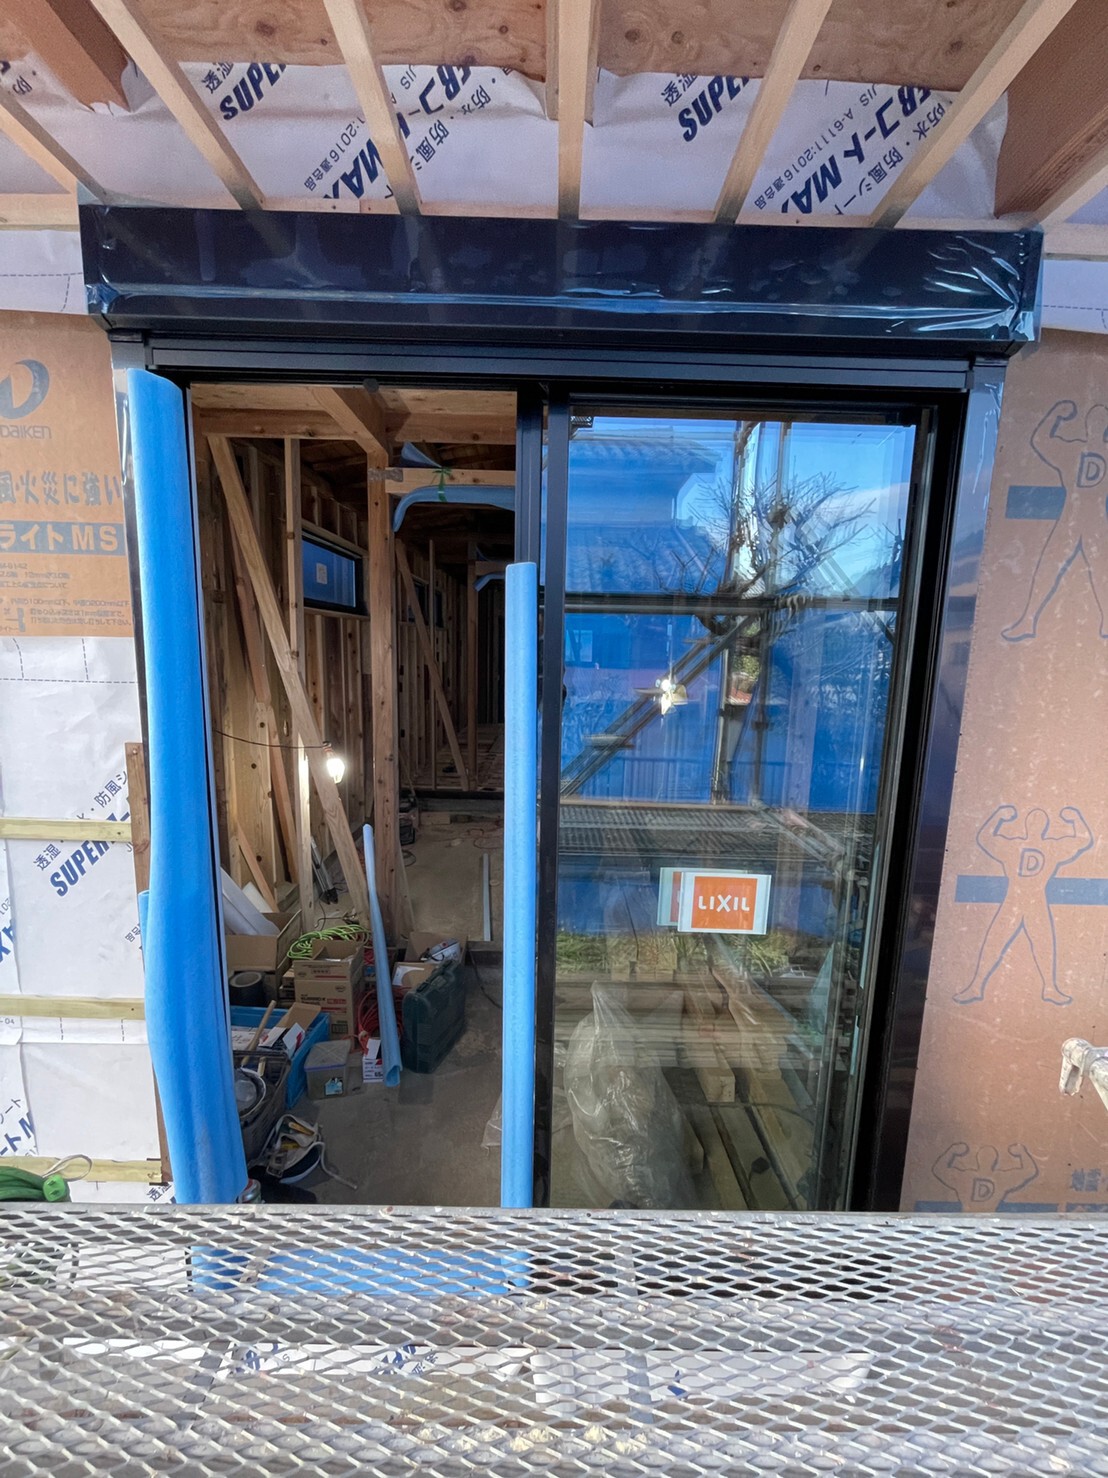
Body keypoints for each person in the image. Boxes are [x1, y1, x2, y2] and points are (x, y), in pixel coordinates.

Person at [955, 804, 1093, 1006]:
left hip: (1029, 902)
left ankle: (1049, 988)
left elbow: (986, 838)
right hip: (1018, 901)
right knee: (995, 942)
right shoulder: (1046, 848)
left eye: (1038, 821)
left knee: (1042, 944)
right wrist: (1074, 820)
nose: (1035, 824)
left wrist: (1000, 817)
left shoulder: (1023, 846)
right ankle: (976, 986)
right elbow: (1082, 840)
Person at [1003, 400, 1108, 642]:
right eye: (1097, 420)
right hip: (1075, 520)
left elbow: (1041, 440)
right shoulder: (1073, 450)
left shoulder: (1074, 450)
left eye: (1101, 421)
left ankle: (1029, 621)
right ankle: (1028, 621)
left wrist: (1058, 416)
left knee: (1099, 570)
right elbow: (1040, 441)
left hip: (1088, 521)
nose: (1097, 425)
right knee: (1049, 567)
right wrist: (1056, 415)